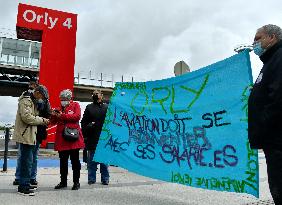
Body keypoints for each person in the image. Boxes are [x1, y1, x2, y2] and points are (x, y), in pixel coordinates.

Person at [248, 24, 282, 204]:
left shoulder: (279, 58)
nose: (254, 43)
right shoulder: (270, 61)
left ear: (272, 38)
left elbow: (278, 99)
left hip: (277, 140)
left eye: (258, 38)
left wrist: (262, 125)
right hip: (273, 141)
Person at [13, 85, 50, 196]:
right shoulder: (26, 100)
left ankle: (26, 183)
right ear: (37, 92)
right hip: (26, 136)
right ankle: (23, 187)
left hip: (30, 135)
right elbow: (27, 117)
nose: (42, 99)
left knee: (28, 161)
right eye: (42, 96)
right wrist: (43, 120)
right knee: (26, 162)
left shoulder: (32, 100)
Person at [51, 89, 84, 190]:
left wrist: (62, 115)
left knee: (75, 162)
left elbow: (77, 117)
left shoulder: (75, 105)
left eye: (64, 99)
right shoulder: (58, 108)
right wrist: (53, 115)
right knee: (63, 162)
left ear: (70, 98)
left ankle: (76, 182)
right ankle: (63, 182)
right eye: (61, 99)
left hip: (73, 138)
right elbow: (53, 122)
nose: (63, 101)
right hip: (62, 139)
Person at [81, 89, 109, 185]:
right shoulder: (89, 107)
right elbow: (83, 122)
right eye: (94, 94)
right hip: (92, 138)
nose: (95, 95)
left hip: (104, 138)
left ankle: (105, 178)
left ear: (102, 95)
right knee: (92, 161)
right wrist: (88, 126)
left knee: (104, 161)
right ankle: (91, 178)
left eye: (97, 94)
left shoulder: (107, 107)